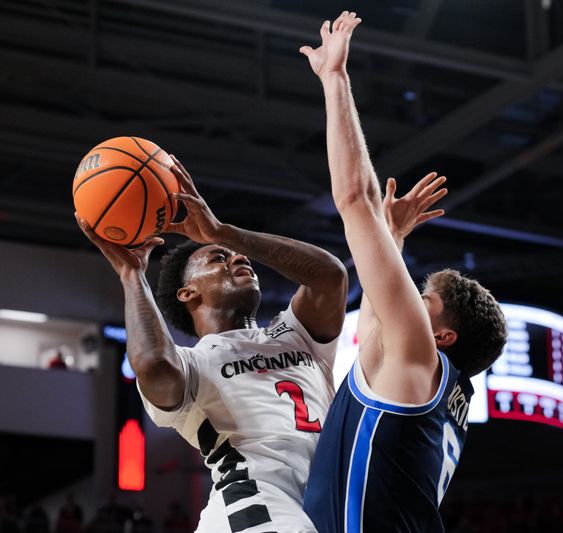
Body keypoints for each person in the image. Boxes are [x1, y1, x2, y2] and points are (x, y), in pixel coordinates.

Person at [300, 11, 508, 532]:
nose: (409, 301)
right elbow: (372, 316)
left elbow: (353, 199)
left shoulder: (416, 355)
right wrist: (390, 238)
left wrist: (336, 79)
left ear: (440, 334)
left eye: (423, 298)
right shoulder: (418, 375)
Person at [75, 156, 348, 533]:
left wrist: (222, 233)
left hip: (327, 508)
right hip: (255, 509)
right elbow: (153, 365)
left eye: (234, 253)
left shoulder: (295, 334)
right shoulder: (191, 364)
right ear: (188, 293)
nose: (237, 257)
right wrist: (131, 274)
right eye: (218, 257)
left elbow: (331, 277)